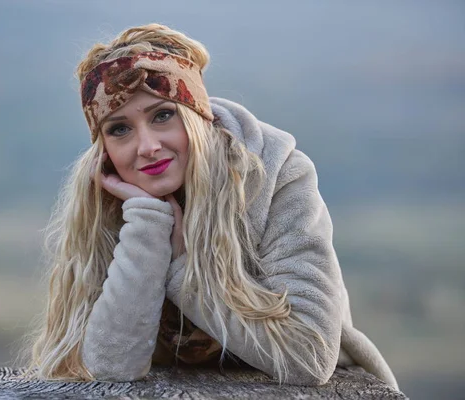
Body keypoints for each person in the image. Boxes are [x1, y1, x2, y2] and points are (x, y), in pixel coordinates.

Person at [25, 23, 399, 390]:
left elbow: (308, 358)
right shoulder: (107, 205)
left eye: (162, 115)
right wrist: (148, 225)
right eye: (120, 129)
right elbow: (112, 364)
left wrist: (179, 268)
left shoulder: (276, 177)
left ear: (196, 116)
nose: (147, 146)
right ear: (104, 149)